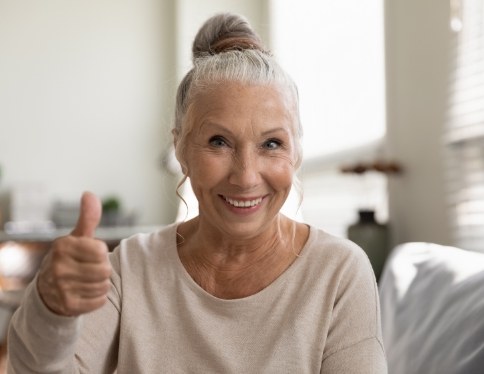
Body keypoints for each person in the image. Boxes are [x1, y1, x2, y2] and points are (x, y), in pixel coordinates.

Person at [7, 13, 387, 373]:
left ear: (297, 152)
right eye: (218, 141)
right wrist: (51, 310)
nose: (246, 176)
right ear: (181, 150)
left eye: (271, 144)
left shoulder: (339, 273)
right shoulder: (130, 268)